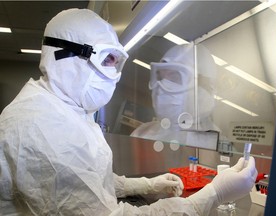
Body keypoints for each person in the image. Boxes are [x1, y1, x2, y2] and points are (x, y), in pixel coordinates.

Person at [0, 8, 257, 215]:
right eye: (107, 60)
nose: (114, 76)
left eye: (117, 62)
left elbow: (87, 180)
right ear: (63, 55)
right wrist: (214, 194)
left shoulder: (61, 110)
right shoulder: (43, 127)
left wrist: (145, 185)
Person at [131, 43, 220, 146]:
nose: (161, 88)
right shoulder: (142, 134)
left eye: (175, 77)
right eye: (160, 77)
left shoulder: (218, 145)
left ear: (206, 87)